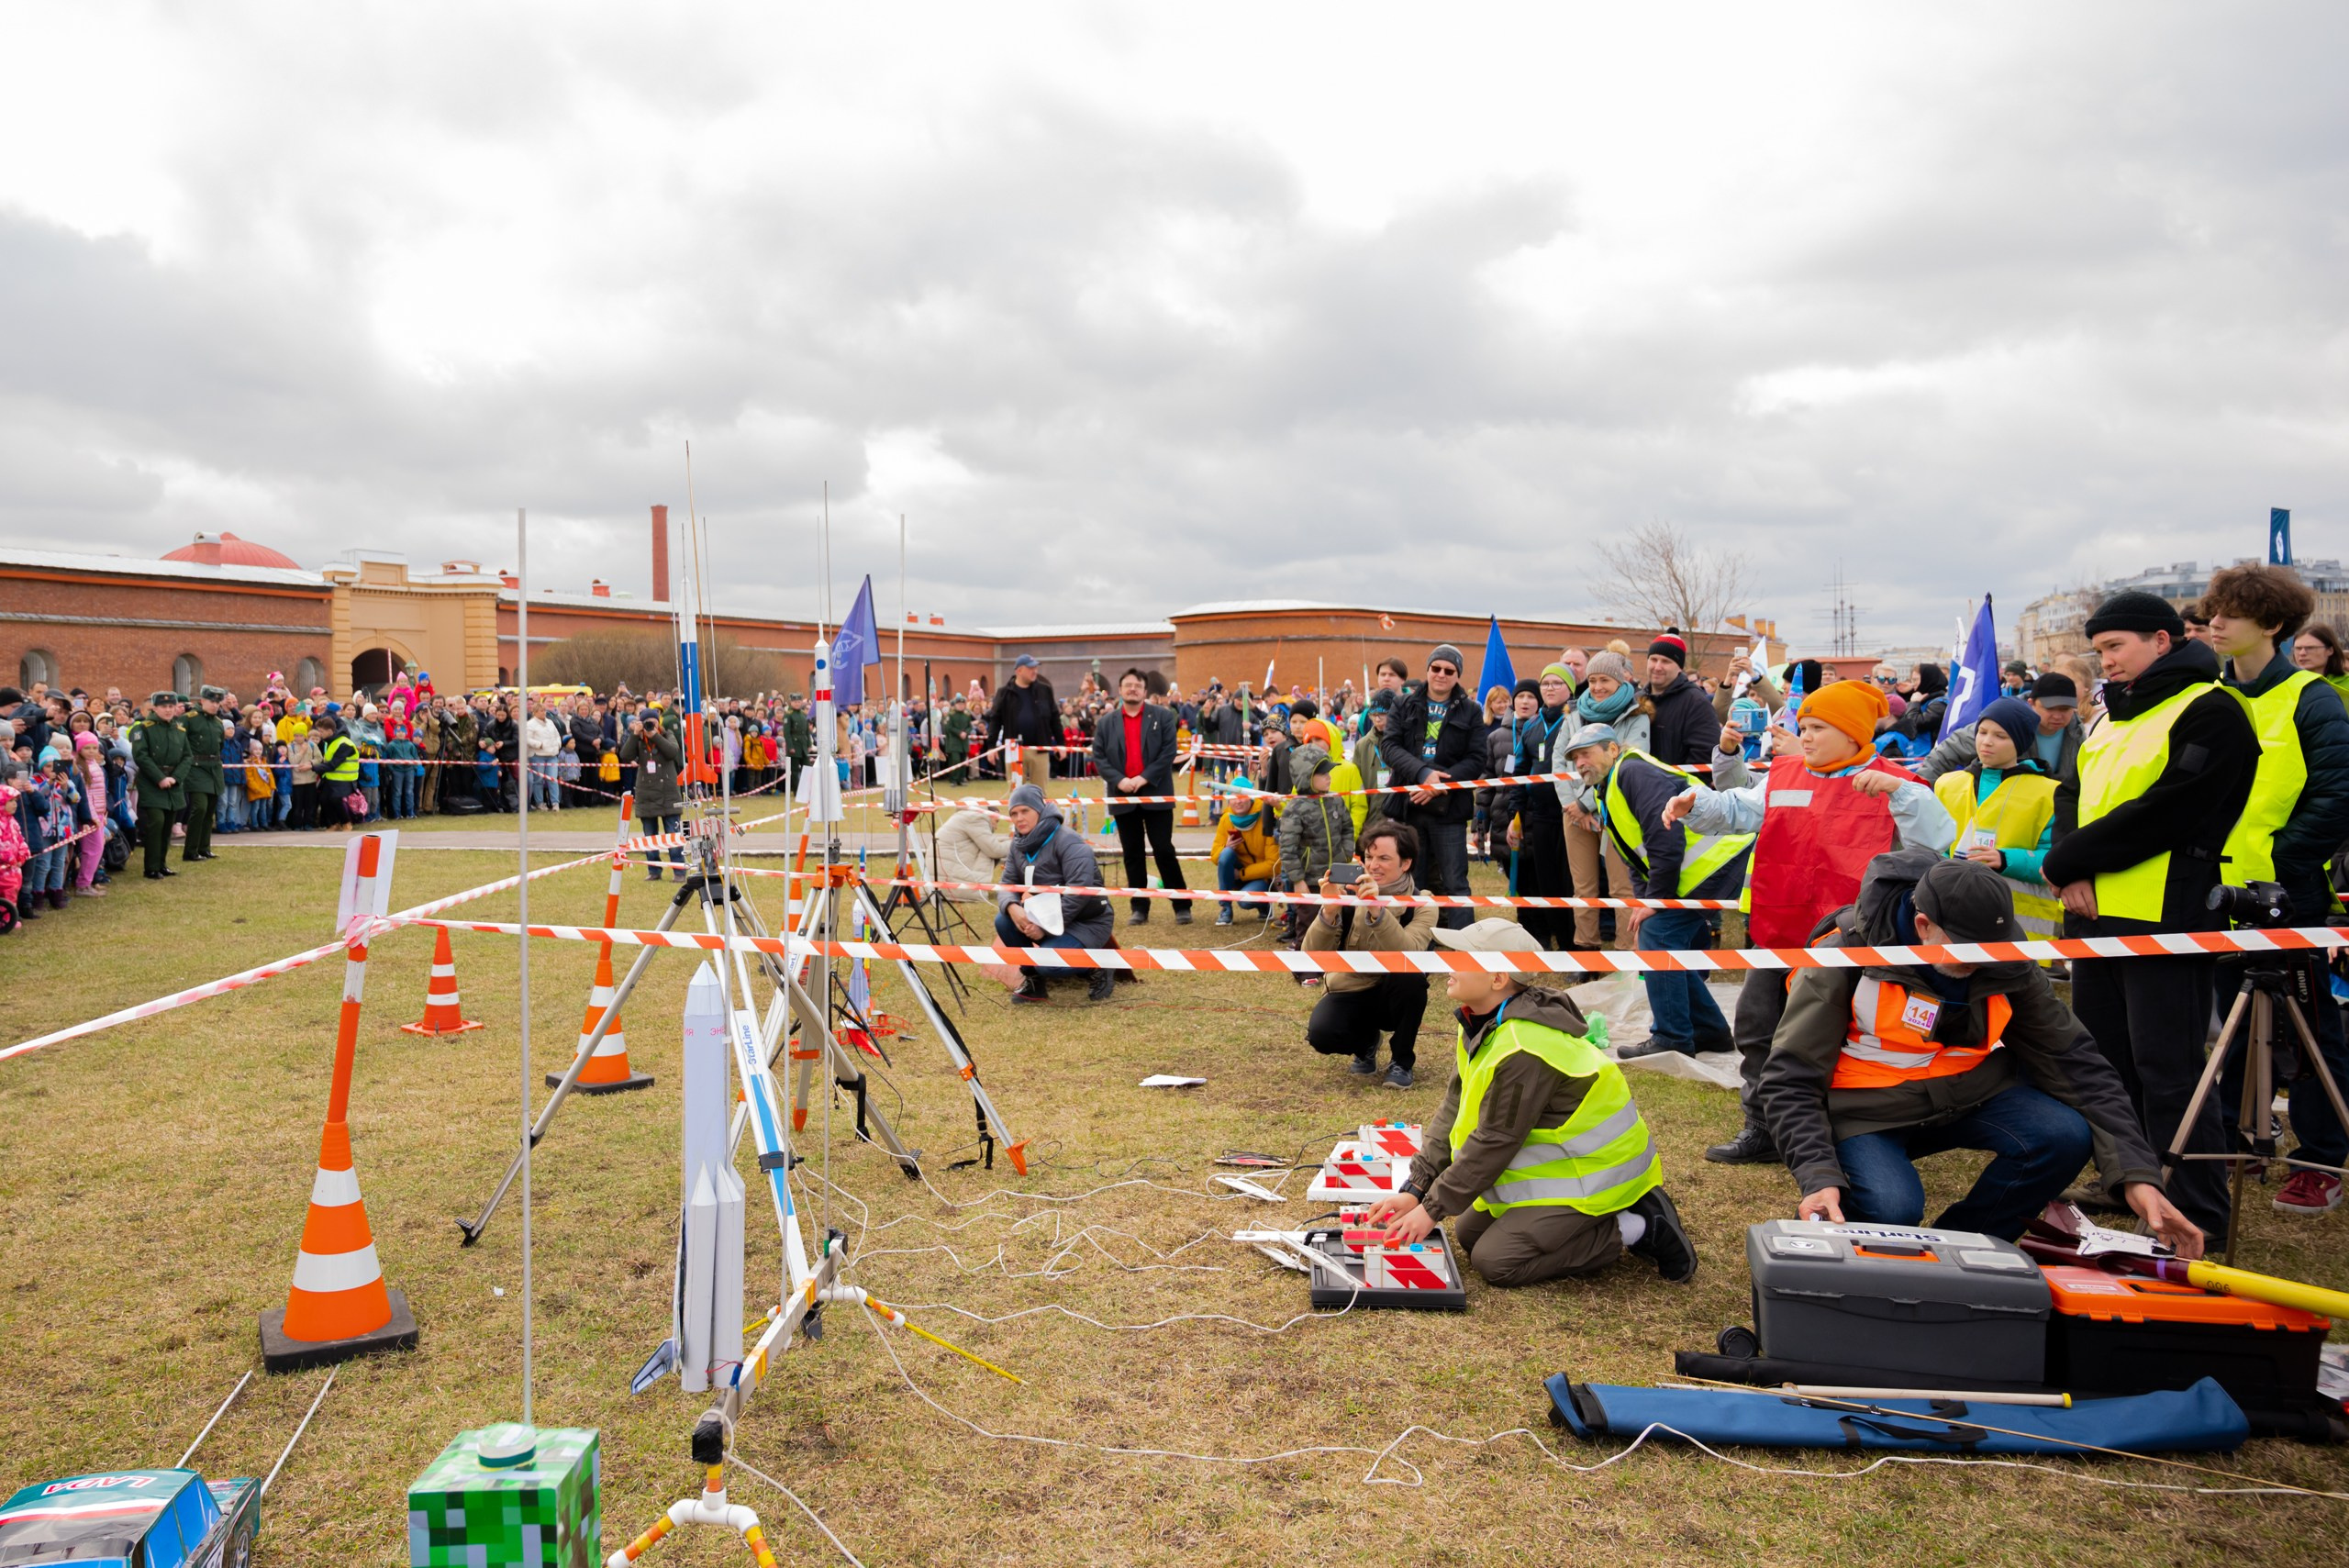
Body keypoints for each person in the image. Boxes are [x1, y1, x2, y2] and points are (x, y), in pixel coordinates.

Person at [1760, 851, 2205, 1251]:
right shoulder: (1842, 958)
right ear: (1922, 926)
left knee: (2063, 1135)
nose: (1981, 963)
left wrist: (2136, 1176)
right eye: (1967, 951)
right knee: (1892, 1209)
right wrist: (1818, 1176)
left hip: (1968, 1096)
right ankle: (1878, 1237)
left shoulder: (2005, 959)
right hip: (1863, 1112)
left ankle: (1961, 1248)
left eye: (1989, 951)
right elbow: (1790, 1080)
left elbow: (2079, 1067)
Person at [1661, 677, 1954, 1164]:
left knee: (1829, 1038)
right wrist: (1698, 802)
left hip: (1850, 946)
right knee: (1758, 1029)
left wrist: (1901, 792)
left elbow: (1936, 837)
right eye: (1805, 726)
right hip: (1778, 932)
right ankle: (1762, 1127)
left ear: (1853, 733)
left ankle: (1837, 1133)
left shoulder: (1893, 783)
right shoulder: (1786, 774)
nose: (1807, 735)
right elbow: (1739, 808)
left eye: (1818, 726)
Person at [2046, 588, 2257, 1247]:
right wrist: (2070, 865)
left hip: (2167, 914)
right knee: (2105, 1063)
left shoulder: (2213, 710)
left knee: (2169, 1067)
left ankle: (2197, 1206)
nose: (2105, 661)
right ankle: (2127, 1180)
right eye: (2100, 649)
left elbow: (2172, 808)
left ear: (2161, 640)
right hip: (2094, 912)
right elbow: (2073, 793)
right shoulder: (2109, 714)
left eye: (2116, 647)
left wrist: (2071, 858)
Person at [1363, 919, 1698, 1286]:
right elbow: (1454, 1108)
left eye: (1462, 955)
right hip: (1561, 1169)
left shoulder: (1524, 1046)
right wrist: (1416, 1188)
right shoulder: (1481, 1023)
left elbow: (1495, 1139)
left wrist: (1430, 1210)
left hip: (1597, 1176)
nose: (1448, 962)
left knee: (1496, 1261)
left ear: (1498, 978)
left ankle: (1639, 1226)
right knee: (1469, 1235)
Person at [2201, 563, 2349, 1216]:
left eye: (2232, 612)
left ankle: (2320, 1158)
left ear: (2273, 623)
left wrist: (2283, 860)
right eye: (2213, 611)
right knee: (2230, 1026)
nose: (2217, 623)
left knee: (2310, 1028)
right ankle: (2240, 1135)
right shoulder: (2210, 693)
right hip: (2215, 894)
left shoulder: (2312, 698)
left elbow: (2337, 794)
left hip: (2289, 895)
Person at [1568, 723, 1749, 1058]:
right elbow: (1637, 855)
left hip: (1718, 862)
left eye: (1586, 754)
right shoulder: (1609, 785)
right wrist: (1645, 902)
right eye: (1574, 758)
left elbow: (1665, 837)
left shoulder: (1633, 771)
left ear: (1612, 749)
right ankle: (1709, 1031)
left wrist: (1657, 901)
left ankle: (1673, 1037)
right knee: (1661, 934)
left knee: (1659, 934)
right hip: (1706, 868)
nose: (1580, 763)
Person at [1302, 819, 1434, 1086]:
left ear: (1406, 863)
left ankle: (1402, 1060)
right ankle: (1366, 1045)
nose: (1373, 865)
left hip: (1396, 991)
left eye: (1384, 858)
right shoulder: (1349, 897)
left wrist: (1377, 909)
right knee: (1321, 1034)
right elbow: (1311, 955)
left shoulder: (1423, 902)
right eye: (1369, 857)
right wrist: (1330, 909)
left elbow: (1408, 953)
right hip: (1352, 987)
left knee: (1410, 979)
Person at [1932, 696, 2061, 940]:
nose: (1987, 742)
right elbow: (1932, 847)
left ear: (2020, 742)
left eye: (2000, 736)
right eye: (1982, 732)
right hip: (1952, 915)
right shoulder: (1947, 785)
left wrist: (2005, 858)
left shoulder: (2049, 793)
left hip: (2020, 928)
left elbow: (2055, 858)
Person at [1380, 644, 1488, 929]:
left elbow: (1477, 758)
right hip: (1410, 806)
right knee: (1414, 881)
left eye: (1449, 670)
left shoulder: (1471, 710)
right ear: (1427, 670)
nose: (1441, 674)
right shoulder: (1403, 704)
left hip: (1450, 809)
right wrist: (1423, 773)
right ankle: (1417, 944)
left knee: (1456, 881)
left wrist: (1441, 784)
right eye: (1436, 668)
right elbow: (1389, 746)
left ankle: (1464, 945)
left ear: (1457, 675)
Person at [995, 782, 1116, 1003]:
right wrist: (1013, 908)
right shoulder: (1017, 845)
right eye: (1014, 813)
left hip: (1085, 921)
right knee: (1003, 921)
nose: (1019, 818)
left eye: (1025, 811)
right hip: (1044, 916)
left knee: (1050, 966)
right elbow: (1007, 884)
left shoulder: (1069, 842)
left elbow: (1078, 892)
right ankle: (1033, 982)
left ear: (1040, 811)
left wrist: (1043, 927)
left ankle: (1098, 966)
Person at [1091, 667, 1193, 928]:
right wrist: (1120, 780)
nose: (1133, 689)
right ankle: (1139, 907)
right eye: (1128, 685)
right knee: (1132, 853)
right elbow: (1100, 757)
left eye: (1137, 685)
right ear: (1121, 689)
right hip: (1122, 795)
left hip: (1155, 792)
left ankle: (1181, 904)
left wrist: (1143, 778)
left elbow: (1168, 752)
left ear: (1145, 691)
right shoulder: (1106, 723)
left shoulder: (1162, 716)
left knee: (1163, 849)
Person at [1499, 663, 1575, 950]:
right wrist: (1514, 816)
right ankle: (1562, 943)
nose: (1550, 689)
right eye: (1546, 684)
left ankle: (1579, 946)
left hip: (1571, 815)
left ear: (1570, 688)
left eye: (1557, 683)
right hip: (1540, 817)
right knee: (1548, 885)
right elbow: (1519, 773)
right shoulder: (1531, 725)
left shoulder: (1577, 720)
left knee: (1572, 885)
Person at [1918, 671, 2085, 784]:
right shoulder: (2006, 720)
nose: (2057, 716)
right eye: (2050, 708)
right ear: (2031, 703)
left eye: (2065, 709)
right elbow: (1948, 752)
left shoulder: (2077, 733)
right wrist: (1920, 792)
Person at [1275, 743, 1355, 957]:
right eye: (1322, 773)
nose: (1329, 777)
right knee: (1309, 923)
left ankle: (1339, 963)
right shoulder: (1294, 808)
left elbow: (1348, 828)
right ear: (1306, 776)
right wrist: (1298, 880)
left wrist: (1347, 853)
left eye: (1329, 772)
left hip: (1338, 876)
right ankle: (1306, 969)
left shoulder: (1335, 801)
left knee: (1344, 918)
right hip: (1310, 881)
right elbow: (1288, 849)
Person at [130, 691, 189, 880]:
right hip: (152, 783)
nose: (168, 710)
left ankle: (162, 864)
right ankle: (151, 867)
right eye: (164, 706)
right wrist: (159, 778)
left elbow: (188, 756)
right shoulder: (144, 729)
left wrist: (176, 778)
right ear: (155, 708)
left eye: (171, 706)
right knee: (156, 823)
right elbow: (141, 756)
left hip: (173, 783)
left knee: (167, 825)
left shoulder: (179, 730)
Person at [620, 709, 685, 880]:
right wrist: (635, 735)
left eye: (653, 721)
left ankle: (679, 871)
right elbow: (625, 755)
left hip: (668, 793)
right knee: (650, 837)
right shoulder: (638, 739)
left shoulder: (667, 734)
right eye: (647, 722)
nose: (651, 725)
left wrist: (655, 735)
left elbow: (673, 752)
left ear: (659, 722)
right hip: (647, 793)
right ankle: (654, 871)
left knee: (673, 836)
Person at [1642, 629, 1718, 768]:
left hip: (1678, 787)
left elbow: (1705, 755)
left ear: (1679, 668)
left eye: (1666, 661)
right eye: (1653, 659)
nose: (1657, 667)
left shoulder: (1696, 703)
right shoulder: (1637, 700)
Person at [989, 656, 1060, 782]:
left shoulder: (1045, 690)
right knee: (1016, 792)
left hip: (1040, 749)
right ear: (1019, 671)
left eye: (1035, 668)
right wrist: (991, 747)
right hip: (1014, 749)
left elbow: (1055, 718)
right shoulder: (1004, 693)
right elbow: (995, 720)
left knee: (1040, 793)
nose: (1035, 671)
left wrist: (1061, 744)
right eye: (1030, 668)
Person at [178, 684, 226, 862]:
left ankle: (204, 848)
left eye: (217, 702)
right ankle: (190, 851)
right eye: (211, 701)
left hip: (213, 768)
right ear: (202, 701)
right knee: (200, 807)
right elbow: (180, 743)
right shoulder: (189, 719)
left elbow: (220, 746)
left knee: (209, 811)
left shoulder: (218, 723)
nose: (215, 705)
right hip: (195, 767)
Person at [314, 715, 361, 830]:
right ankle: (334, 824)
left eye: (321, 731)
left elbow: (333, 764)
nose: (320, 734)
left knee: (335, 799)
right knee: (324, 799)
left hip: (345, 778)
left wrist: (312, 767)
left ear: (330, 731)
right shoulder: (328, 742)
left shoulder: (345, 744)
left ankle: (346, 823)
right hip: (331, 777)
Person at [2291, 622, 2349, 710]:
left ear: (2330, 650)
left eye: (2310, 648)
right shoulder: (2286, 685)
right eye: (2298, 648)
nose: (2302, 653)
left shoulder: (2346, 685)